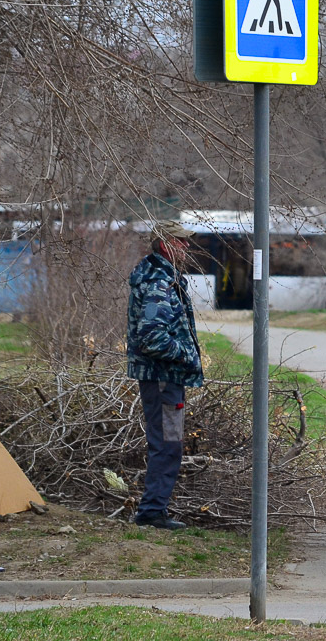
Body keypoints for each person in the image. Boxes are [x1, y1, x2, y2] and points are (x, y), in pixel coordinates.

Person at [126, 220, 204, 530]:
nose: (187, 247)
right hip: (162, 379)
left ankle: (155, 510)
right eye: (181, 241)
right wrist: (187, 356)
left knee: (170, 443)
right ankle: (152, 512)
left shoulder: (164, 277)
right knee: (167, 444)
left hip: (166, 379)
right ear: (165, 244)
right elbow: (152, 337)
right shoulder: (159, 282)